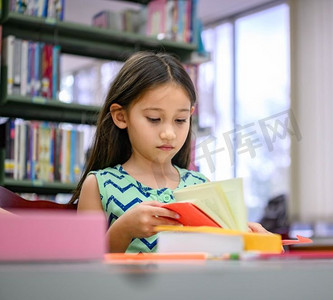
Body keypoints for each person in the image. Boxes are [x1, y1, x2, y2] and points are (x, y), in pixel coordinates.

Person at [70, 51, 268, 253]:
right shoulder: (99, 185)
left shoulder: (200, 185)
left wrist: (254, 243)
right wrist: (123, 230)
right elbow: (84, 268)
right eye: (154, 119)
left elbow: (218, 259)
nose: (169, 134)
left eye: (180, 120)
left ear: (191, 115)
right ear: (121, 116)